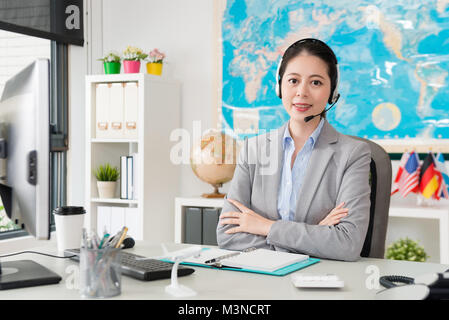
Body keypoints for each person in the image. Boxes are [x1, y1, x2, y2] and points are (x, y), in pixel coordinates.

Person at [216, 38, 371, 262]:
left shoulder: (353, 154)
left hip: (320, 282)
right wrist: (315, 235)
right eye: (293, 80)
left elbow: (347, 244)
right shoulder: (253, 149)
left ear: (332, 91)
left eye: (316, 83)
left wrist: (265, 227)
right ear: (280, 86)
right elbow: (228, 236)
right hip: (262, 279)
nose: (302, 92)